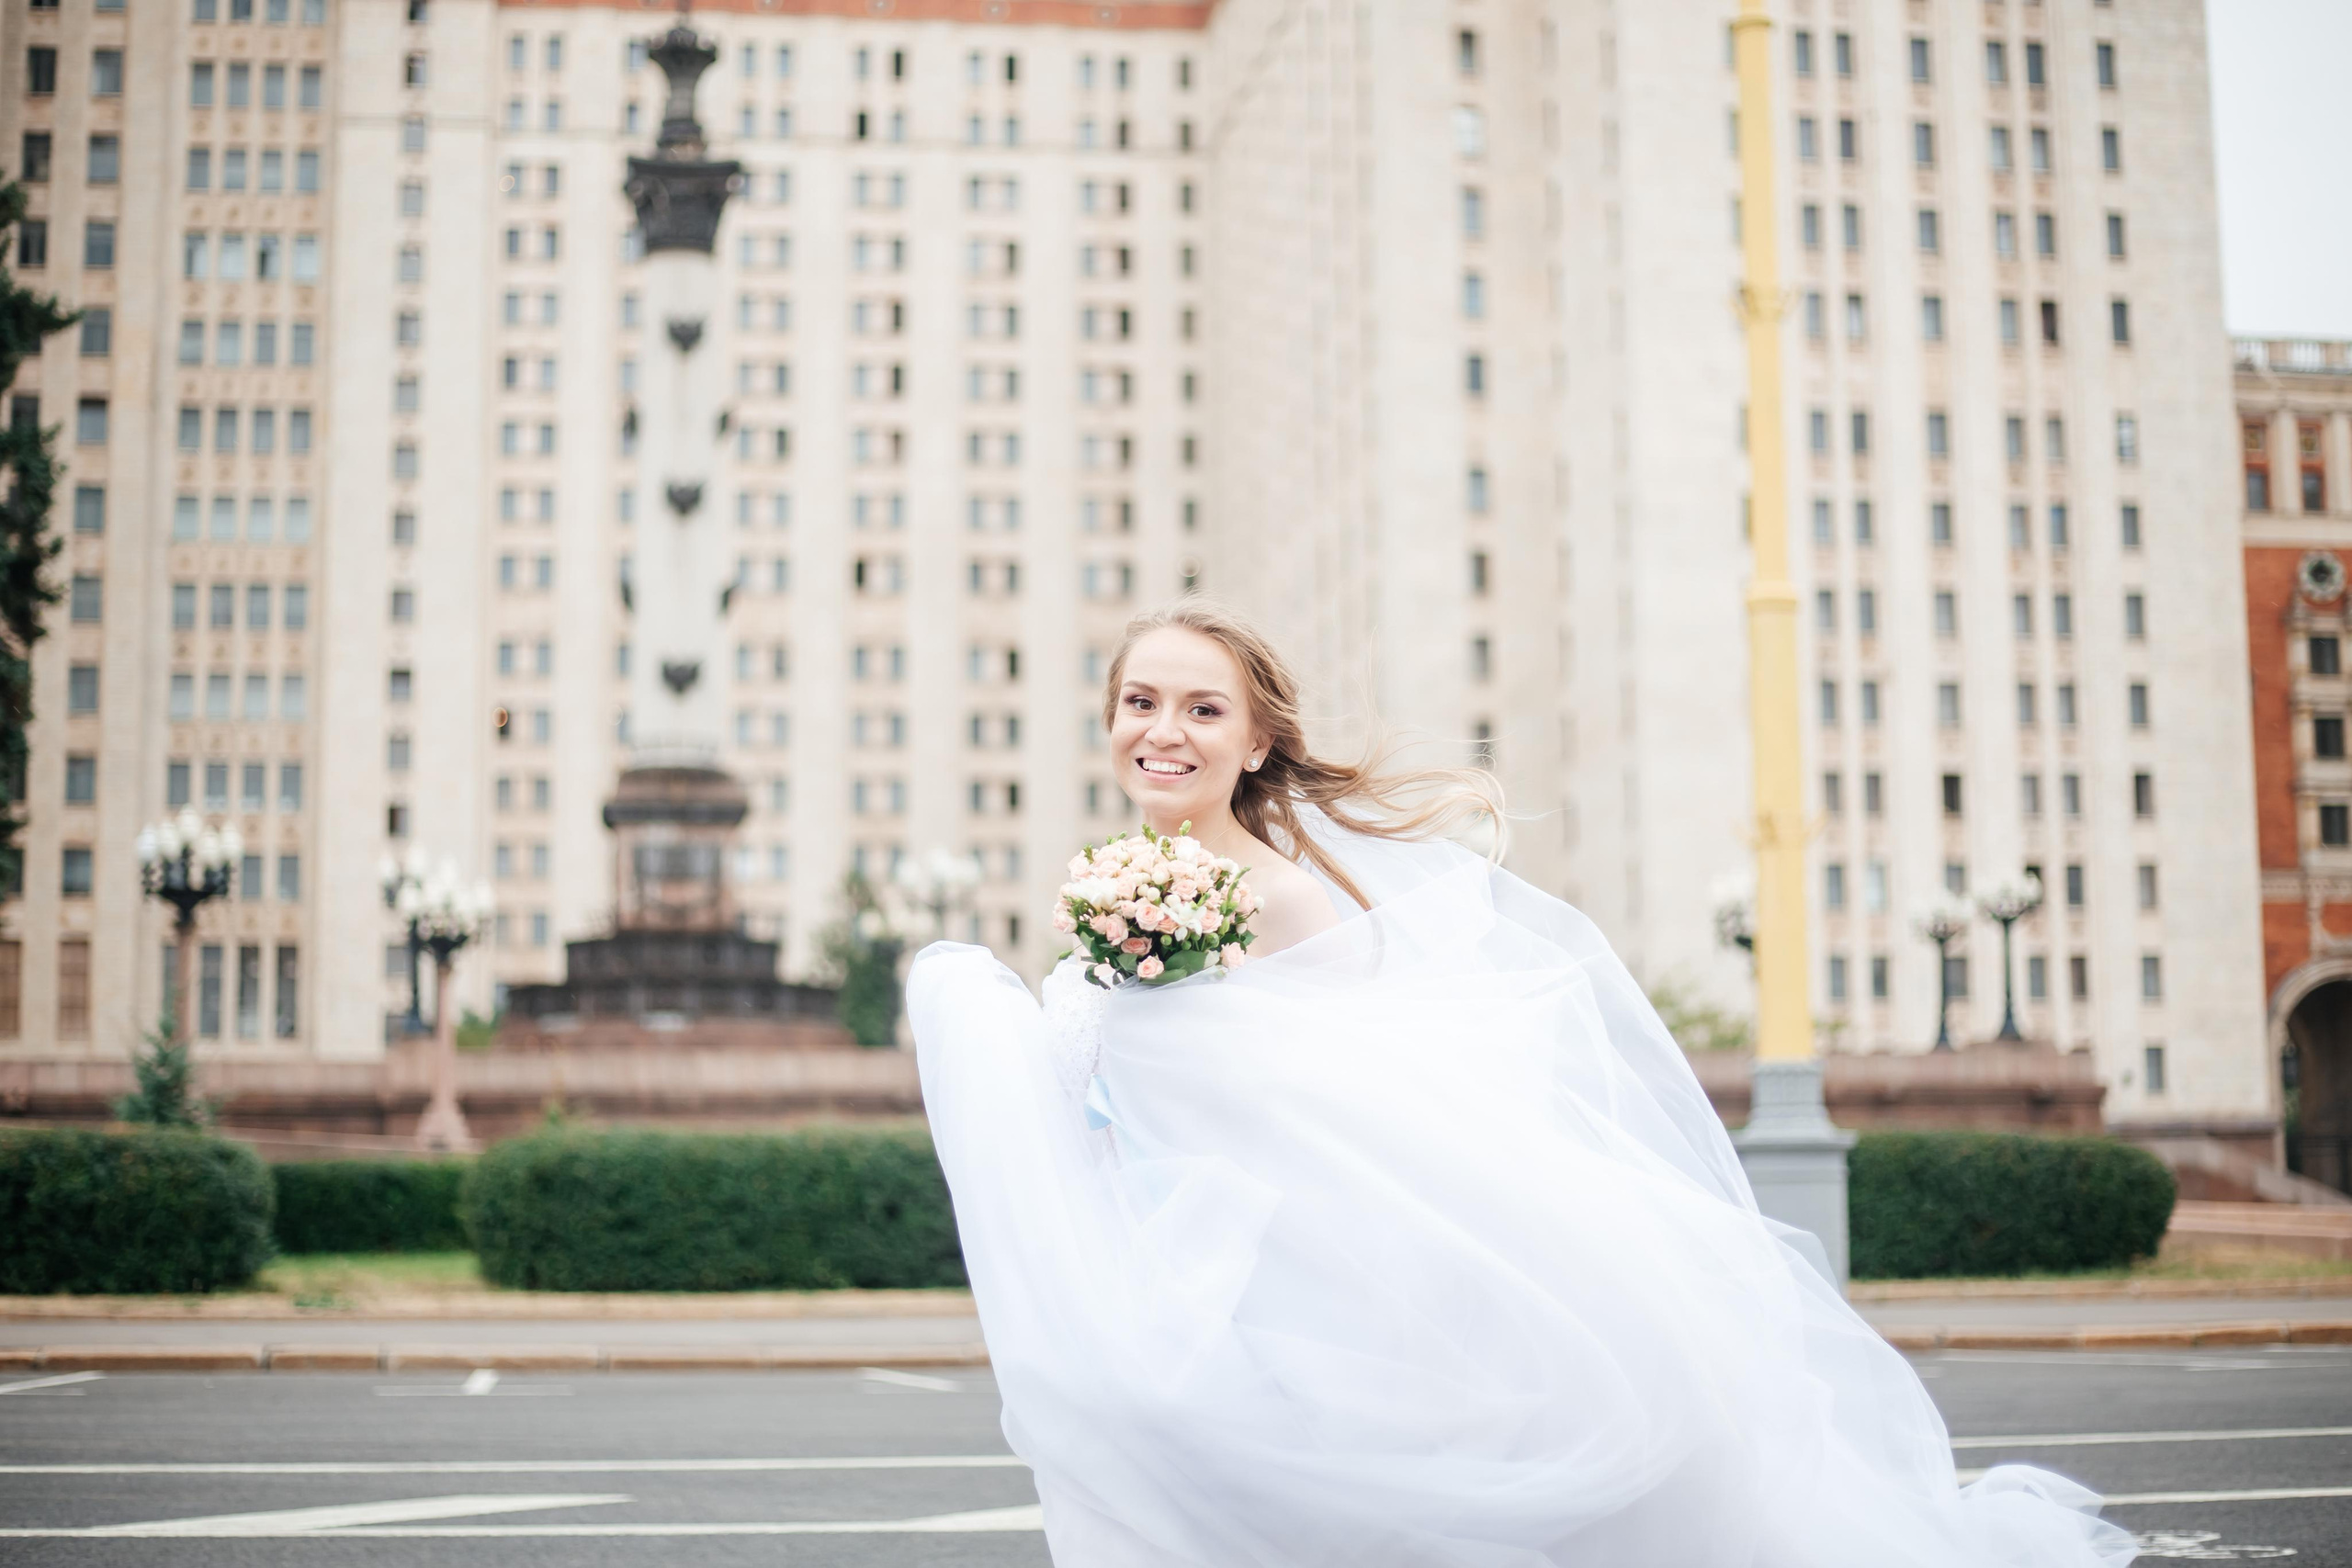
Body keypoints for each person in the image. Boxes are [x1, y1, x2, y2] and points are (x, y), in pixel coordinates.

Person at [907, 600, 2134, 1567]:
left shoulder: (1277, 895)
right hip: (1189, 1253)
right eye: (1139, 701)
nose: (1162, 730)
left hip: (1298, 1273)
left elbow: (1358, 1088)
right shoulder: (1133, 881)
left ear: (1258, 738)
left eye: (1201, 708)